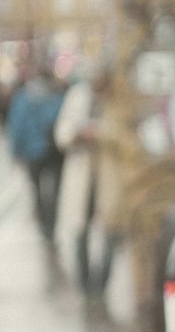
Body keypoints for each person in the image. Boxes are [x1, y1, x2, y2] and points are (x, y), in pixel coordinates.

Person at [53, 61, 125, 308]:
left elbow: (125, 136)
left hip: (109, 177)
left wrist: (101, 133)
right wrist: (76, 135)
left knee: (111, 232)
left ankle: (100, 285)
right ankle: (85, 286)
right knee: (79, 231)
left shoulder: (118, 100)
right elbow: (61, 133)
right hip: (81, 176)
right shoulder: (77, 97)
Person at [6, 62, 66, 242]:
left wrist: (16, 152)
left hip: (34, 152)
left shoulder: (23, 97)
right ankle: (51, 222)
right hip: (54, 151)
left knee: (38, 189)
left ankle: (44, 224)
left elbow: (16, 127)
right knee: (54, 188)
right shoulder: (56, 96)